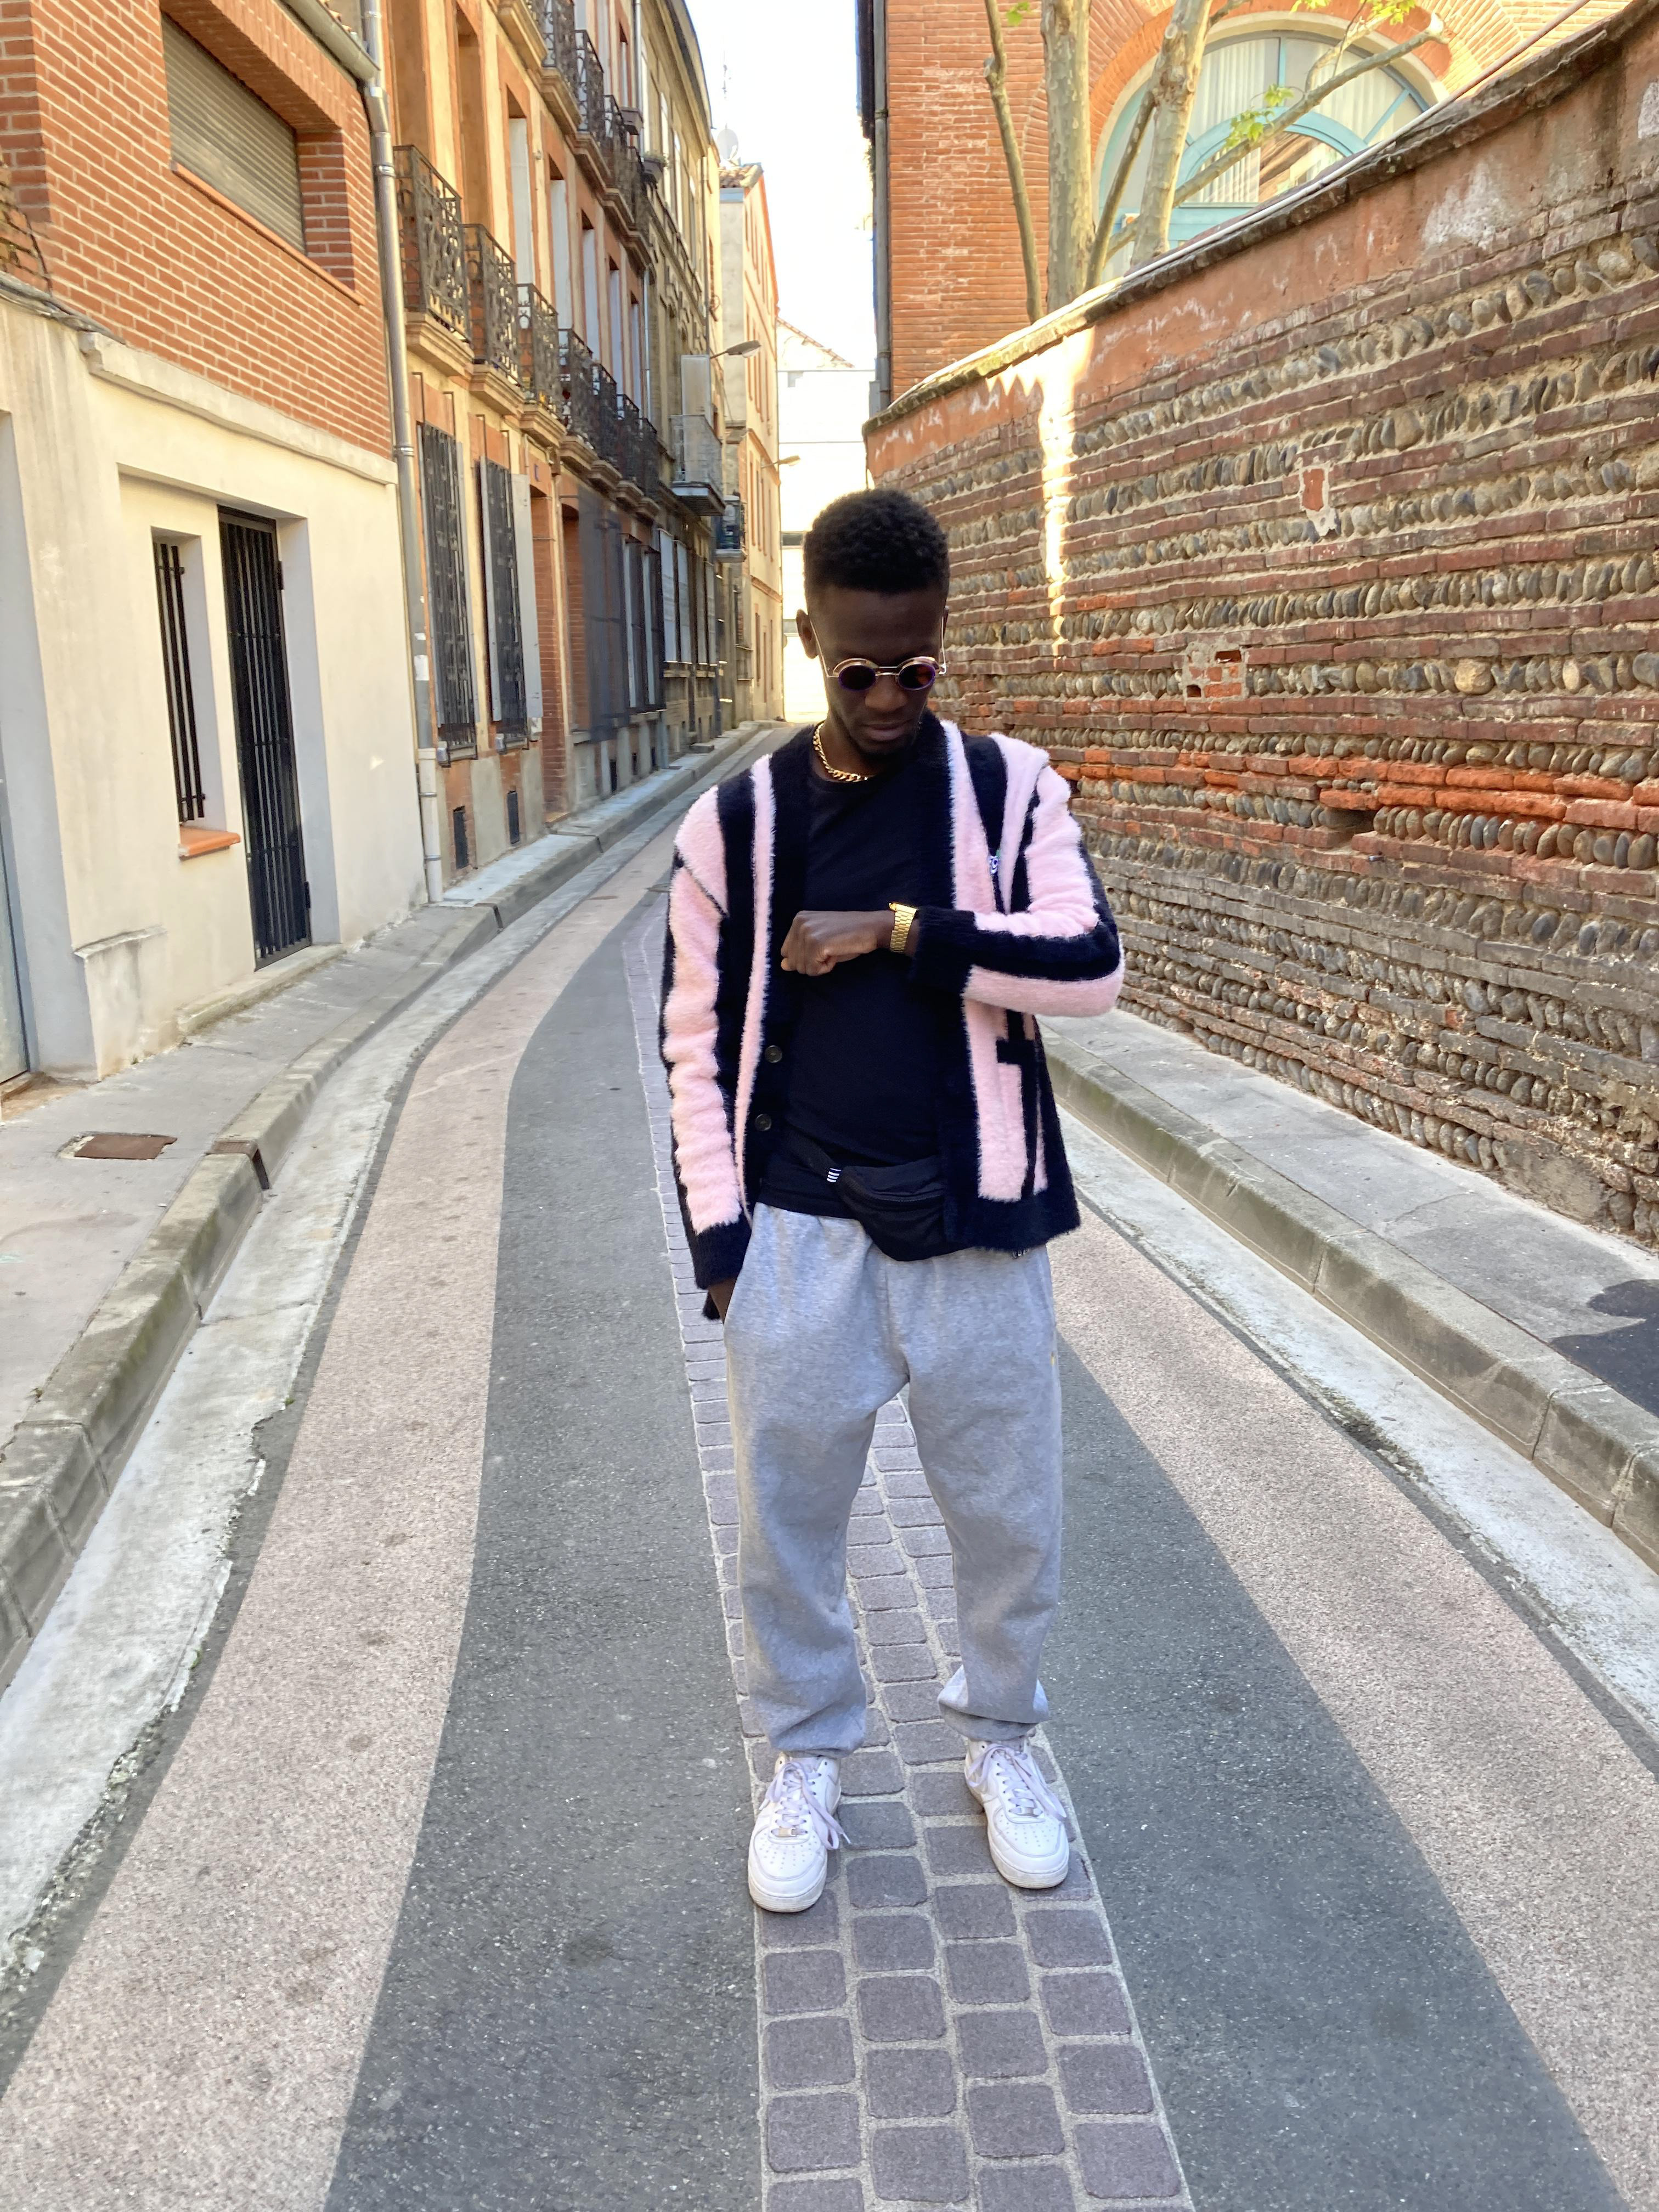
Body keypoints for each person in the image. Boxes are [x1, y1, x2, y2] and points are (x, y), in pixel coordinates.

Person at [660, 487, 1124, 1912]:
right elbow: (691, 1045)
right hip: (800, 1230)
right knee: (787, 1524)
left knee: (1009, 1518)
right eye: (856, 669)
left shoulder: (1009, 792)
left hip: (980, 1227)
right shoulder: (737, 825)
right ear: (809, 639)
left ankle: (1003, 1739)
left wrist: (902, 930)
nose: (883, 699)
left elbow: (1089, 966)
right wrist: (724, 1245)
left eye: (914, 671)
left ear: (942, 645)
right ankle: (806, 1757)